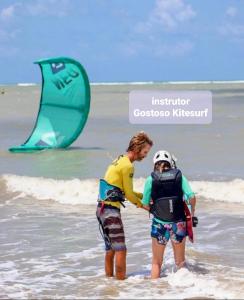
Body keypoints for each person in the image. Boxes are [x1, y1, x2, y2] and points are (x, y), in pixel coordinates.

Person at [96, 131, 153, 280]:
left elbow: (126, 191)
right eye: (145, 151)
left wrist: (145, 196)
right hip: (110, 211)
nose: (145, 155)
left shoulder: (120, 160)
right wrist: (144, 206)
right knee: (121, 249)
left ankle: (109, 283)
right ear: (137, 148)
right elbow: (128, 194)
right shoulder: (128, 166)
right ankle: (121, 285)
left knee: (111, 249)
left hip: (101, 209)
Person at [142, 150, 196, 279]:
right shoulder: (179, 176)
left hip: (160, 224)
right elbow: (192, 197)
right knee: (180, 262)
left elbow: (144, 204)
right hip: (179, 223)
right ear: (171, 163)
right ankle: (184, 291)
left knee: (156, 263)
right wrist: (192, 212)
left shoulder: (151, 179)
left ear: (155, 163)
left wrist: (153, 208)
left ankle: (154, 293)